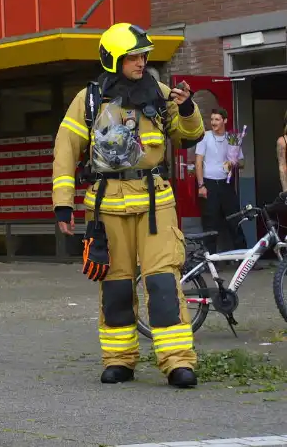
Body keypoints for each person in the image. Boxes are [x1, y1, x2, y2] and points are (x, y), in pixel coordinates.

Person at [51, 21, 204, 388]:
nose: (142, 61)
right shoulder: (88, 99)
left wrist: (187, 109)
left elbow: (190, 136)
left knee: (164, 282)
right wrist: (62, 203)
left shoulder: (162, 93)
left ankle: (178, 362)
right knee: (116, 286)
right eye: (134, 56)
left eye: (143, 55)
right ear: (114, 59)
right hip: (107, 207)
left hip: (155, 203)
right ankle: (119, 359)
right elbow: (65, 148)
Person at [196, 108, 247, 252]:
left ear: (224, 120)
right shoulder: (204, 136)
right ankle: (209, 259)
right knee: (210, 223)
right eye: (212, 119)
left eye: (217, 119)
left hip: (226, 185)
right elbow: (198, 162)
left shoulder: (232, 138)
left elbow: (242, 163)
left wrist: (233, 162)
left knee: (234, 220)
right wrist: (201, 185)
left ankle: (243, 258)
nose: (213, 122)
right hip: (209, 183)